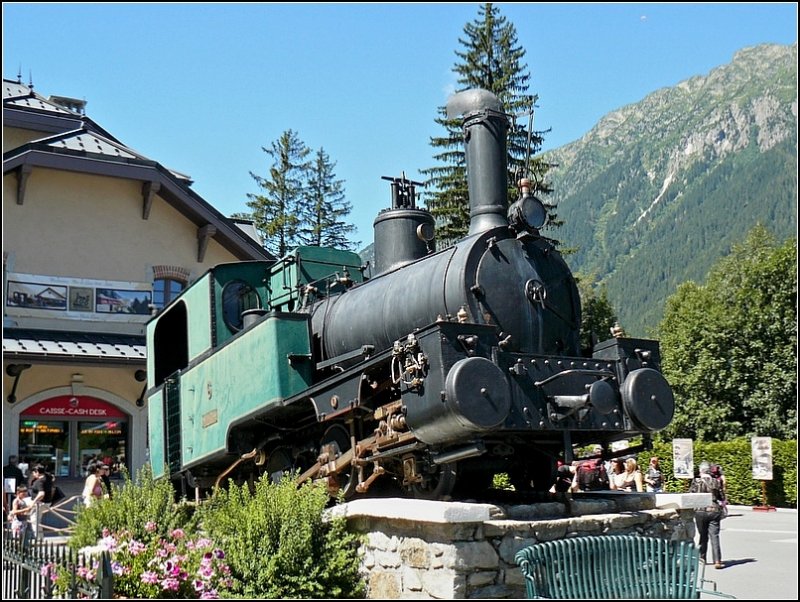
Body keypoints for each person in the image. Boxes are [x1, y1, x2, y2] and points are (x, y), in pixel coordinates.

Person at [690, 461, 724, 569]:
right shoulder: (716, 481)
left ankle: (702, 557)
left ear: (700, 471)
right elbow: (721, 497)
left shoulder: (696, 481)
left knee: (702, 535)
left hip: (700, 510)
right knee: (714, 535)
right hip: (714, 510)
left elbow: (691, 494)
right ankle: (717, 560)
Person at [29, 464, 53, 538]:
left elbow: (41, 493)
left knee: (34, 521)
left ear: (37, 472)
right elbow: (53, 477)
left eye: (33, 472)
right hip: (47, 502)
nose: (33, 474)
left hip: (40, 503)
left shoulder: (40, 481)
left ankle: (38, 538)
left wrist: (33, 502)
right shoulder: (48, 477)